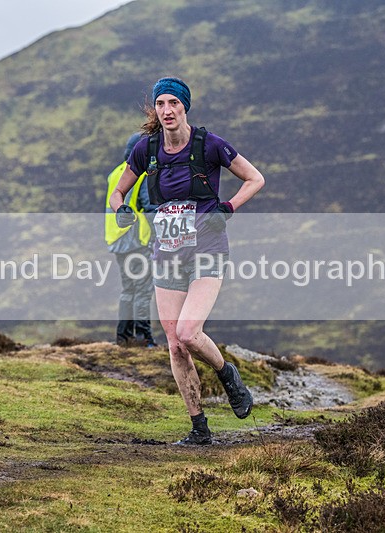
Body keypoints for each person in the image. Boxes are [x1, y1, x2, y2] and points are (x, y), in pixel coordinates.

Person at [109, 77, 265, 445]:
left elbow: (255, 178)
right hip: (167, 254)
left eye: (173, 104)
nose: (166, 111)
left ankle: (227, 375)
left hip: (207, 249)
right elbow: (119, 190)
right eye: (160, 104)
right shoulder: (146, 150)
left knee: (188, 333)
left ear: (184, 107)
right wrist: (121, 211)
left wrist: (227, 208)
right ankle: (199, 428)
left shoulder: (209, 144)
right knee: (175, 344)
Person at [105, 133, 157, 347]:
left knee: (128, 289)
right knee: (143, 289)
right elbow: (149, 206)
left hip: (117, 240)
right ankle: (144, 338)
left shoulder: (116, 173)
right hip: (136, 240)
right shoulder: (141, 174)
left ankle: (123, 337)